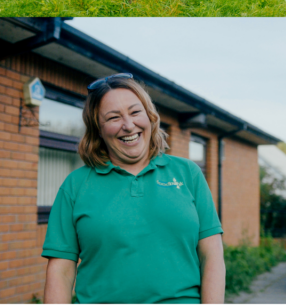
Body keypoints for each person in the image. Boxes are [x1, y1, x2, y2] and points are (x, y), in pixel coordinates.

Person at [41, 73, 225, 304]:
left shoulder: (188, 173)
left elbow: (212, 256)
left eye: (135, 112)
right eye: (113, 117)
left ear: (150, 116)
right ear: (98, 128)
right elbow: (61, 271)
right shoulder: (75, 185)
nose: (128, 126)